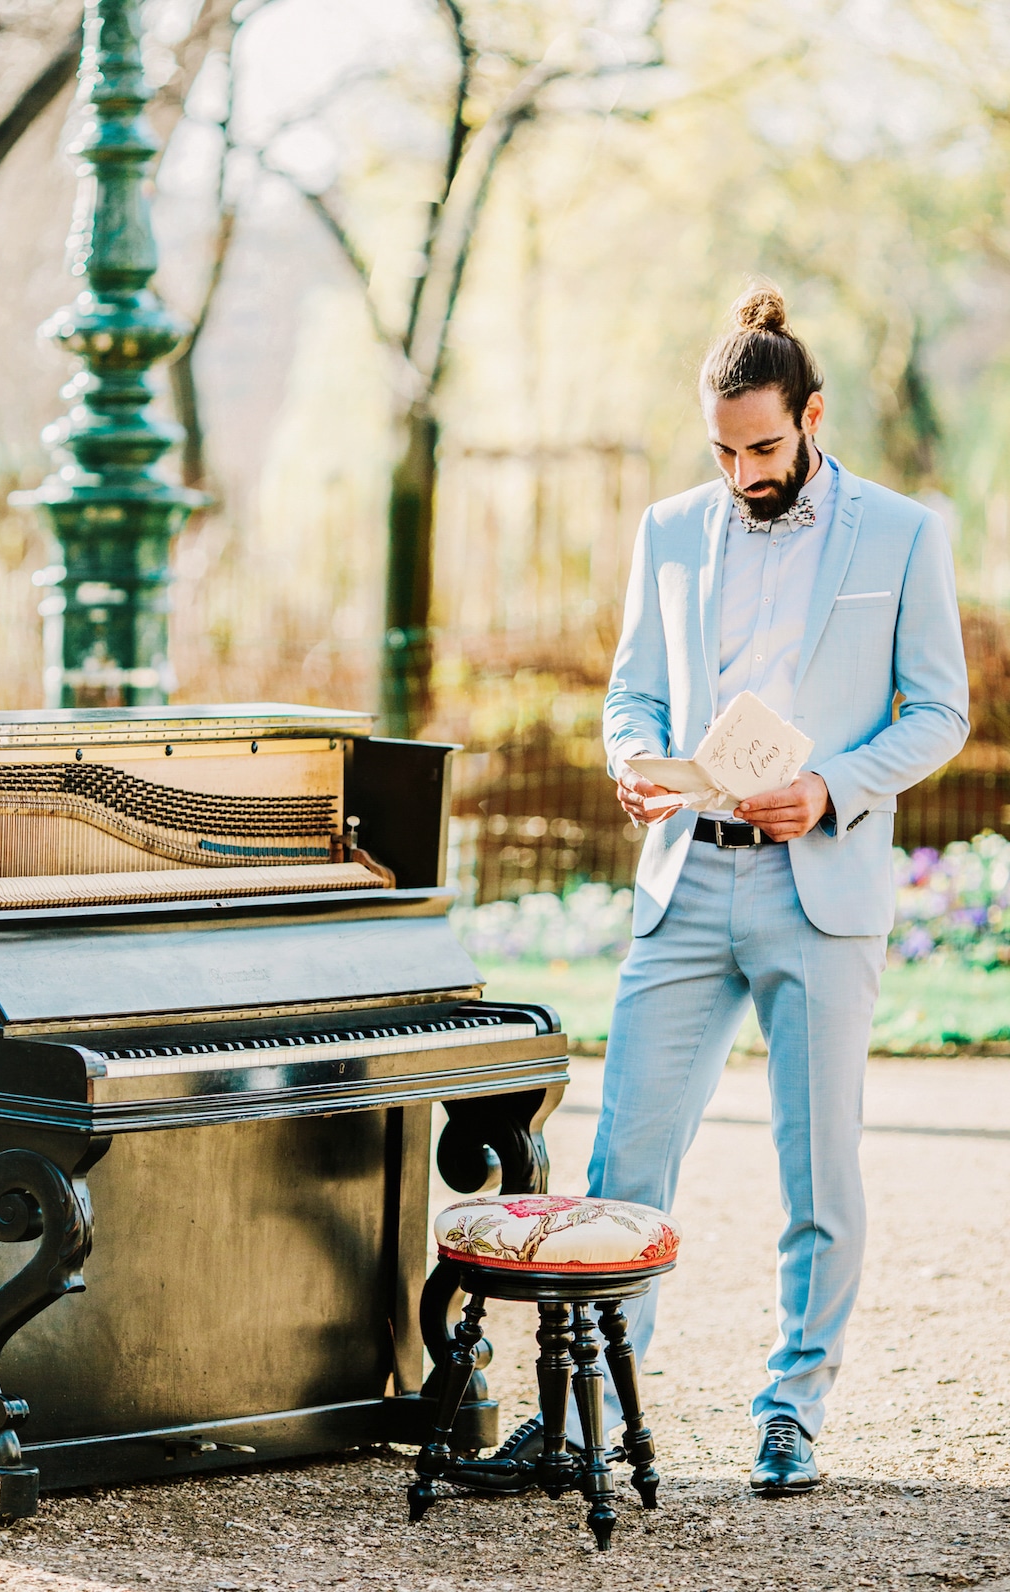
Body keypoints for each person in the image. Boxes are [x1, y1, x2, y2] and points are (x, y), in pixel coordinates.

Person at [465, 285, 969, 1496]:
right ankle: (585, 1416)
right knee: (625, 1160)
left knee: (818, 1172)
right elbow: (631, 690)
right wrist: (631, 758)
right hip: (686, 881)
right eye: (725, 450)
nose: (745, 470)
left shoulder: (902, 534)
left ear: (812, 416)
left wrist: (836, 785)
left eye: (765, 446)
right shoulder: (670, 528)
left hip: (820, 889)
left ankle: (793, 1408)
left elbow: (940, 710)